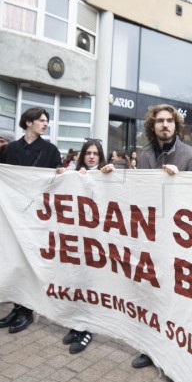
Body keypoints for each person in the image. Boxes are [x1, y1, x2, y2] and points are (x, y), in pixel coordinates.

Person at [132, 104, 192, 371]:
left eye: (169, 121)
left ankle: (175, 356)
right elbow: (138, 194)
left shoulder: (191, 155)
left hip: (179, 239)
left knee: (177, 299)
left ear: (176, 125)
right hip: (152, 236)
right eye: (160, 121)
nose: (164, 125)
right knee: (152, 295)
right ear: (153, 125)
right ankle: (151, 350)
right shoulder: (145, 154)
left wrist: (179, 182)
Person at [0, 108, 61, 334]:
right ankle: (16, 306)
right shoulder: (11, 149)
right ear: (29, 123)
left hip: (36, 215)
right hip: (12, 213)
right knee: (13, 260)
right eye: (41, 120)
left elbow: (55, 183)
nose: (45, 124)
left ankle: (27, 309)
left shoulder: (50, 150)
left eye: (47, 121)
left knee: (29, 262)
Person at [59, 139, 115, 354]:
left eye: (96, 153)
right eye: (88, 153)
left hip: (96, 241)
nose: (92, 156)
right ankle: (77, 325)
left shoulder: (106, 174)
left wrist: (109, 173)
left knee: (92, 285)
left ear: (101, 156)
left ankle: (88, 330)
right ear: (82, 155)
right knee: (76, 281)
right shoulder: (74, 174)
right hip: (77, 239)